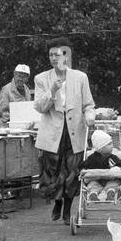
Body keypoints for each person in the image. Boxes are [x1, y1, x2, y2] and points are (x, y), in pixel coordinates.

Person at [34, 37, 95, 225]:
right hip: (52, 133)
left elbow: (88, 104)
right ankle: (57, 202)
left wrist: (89, 115)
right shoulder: (42, 78)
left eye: (58, 54)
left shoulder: (80, 77)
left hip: (74, 131)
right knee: (53, 171)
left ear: (66, 56)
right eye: (51, 54)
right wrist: (52, 90)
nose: (54, 58)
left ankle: (68, 207)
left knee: (72, 171)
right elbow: (40, 107)